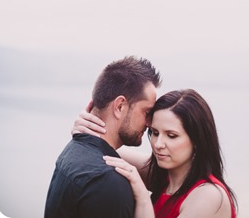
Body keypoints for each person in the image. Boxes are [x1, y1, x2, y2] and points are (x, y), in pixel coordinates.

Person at [72, 89, 238, 218]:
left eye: (171, 136)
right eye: (155, 133)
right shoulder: (163, 175)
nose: (158, 145)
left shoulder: (209, 196)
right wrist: (85, 129)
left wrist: (143, 198)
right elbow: (107, 146)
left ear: (197, 141)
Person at [44, 56, 162, 218]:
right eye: (146, 112)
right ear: (120, 106)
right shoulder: (110, 182)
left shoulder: (72, 151)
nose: (149, 123)